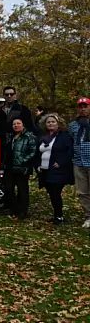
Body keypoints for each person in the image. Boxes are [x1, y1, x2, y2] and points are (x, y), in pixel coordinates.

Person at [37, 114, 74, 225]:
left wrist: (61, 162)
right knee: (51, 193)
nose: (51, 124)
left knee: (55, 192)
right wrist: (37, 164)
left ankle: (59, 216)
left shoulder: (64, 136)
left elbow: (70, 151)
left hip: (58, 170)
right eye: (48, 122)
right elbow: (37, 152)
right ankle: (56, 215)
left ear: (58, 124)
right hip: (44, 170)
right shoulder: (43, 137)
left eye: (53, 122)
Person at [3, 119, 36, 219]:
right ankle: (15, 209)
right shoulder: (10, 136)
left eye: (18, 123)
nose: (16, 125)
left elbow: (33, 152)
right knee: (8, 188)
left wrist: (22, 160)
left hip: (22, 167)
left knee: (22, 190)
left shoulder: (29, 137)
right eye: (14, 124)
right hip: (10, 167)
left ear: (23, 125)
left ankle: (22, 211)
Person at [68, 97, 90, 228]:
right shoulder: (73, 125)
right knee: (83, 191)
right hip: (78, 162)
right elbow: (71, 141)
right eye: (80, 107)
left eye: (85, 106)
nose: (83, 109)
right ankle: (88, 215)